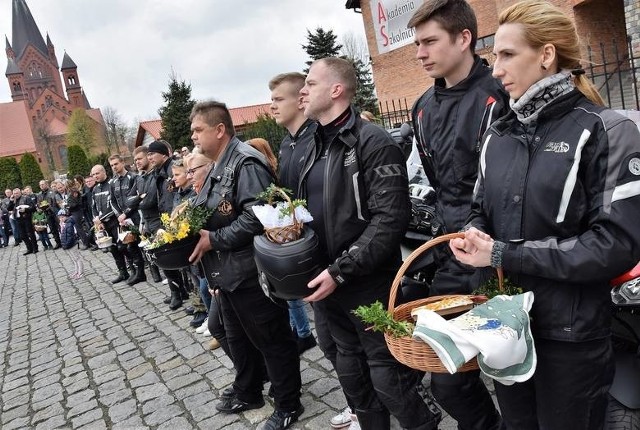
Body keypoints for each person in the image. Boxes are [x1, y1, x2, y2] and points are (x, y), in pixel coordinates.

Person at [447, 1, 640, 429]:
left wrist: (502, 254)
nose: (495, 68)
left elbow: (614, 246)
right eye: (495, 55)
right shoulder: (498, 134)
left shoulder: (607, 130)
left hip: (571, 339)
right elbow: (480, 210)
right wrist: (474, 236)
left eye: (506, 54)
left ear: (547, 55)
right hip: (506, 329)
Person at [298, 57, 438, 430]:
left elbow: (390, 219)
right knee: (350, 370)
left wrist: (341, 270)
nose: (303, 91)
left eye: (310, 83)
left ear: (336, 90)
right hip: (325, 282)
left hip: (367, 282)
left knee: (388, 376)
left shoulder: (372, 141)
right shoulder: (312, 144)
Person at [407, 1, 509, 428]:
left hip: (503, 257)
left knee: (510, 371)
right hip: (452, 255)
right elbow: (436, 181)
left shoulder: (500, 94)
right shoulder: (421, 108)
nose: (419, 53)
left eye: (430, 41)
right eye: (416, 43)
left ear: (463, 38)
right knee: (446, 378)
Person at [188, 100, 303, 430]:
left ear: (219, 129)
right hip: (229, 274)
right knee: (239, 339)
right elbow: (212, 209)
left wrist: (214, 240)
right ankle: (249, 389)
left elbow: (259, 217)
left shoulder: (246, 162)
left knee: (272, 340)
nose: (194, 136)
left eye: (199, 130)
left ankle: (288, 403)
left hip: (251, 272)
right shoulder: (220, 162)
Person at [109, 154, 147, 286]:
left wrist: (125, 213)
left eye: (116, 164)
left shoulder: (133, 177)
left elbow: (136, 198)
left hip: (135, 216)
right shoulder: (112, 182)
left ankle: (154, 272)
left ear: (122, 162)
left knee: (143, 243)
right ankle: (139, 273)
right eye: (112, 165)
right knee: (130, 246)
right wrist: (120, 215)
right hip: (123, 220)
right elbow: (112, 201)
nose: (114, 167)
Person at [91, 165, 131, 283]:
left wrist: (101, 219)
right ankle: (123, 272)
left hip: (115, 222)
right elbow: (93, 207)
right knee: (113, 249)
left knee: (122, 247)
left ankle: (133, 269)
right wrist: (97, 220)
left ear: (104, 172)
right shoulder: (95, 189)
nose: (95, 176)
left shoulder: (112, 184)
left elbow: (114, 205)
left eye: (97, 173)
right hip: (104, 224)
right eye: (93, 174)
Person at [8, 187, 38, 255]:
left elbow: (33, 208)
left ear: (20, 193)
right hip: (18, 219)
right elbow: (9, 208)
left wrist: (25, 210)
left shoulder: (26, 198)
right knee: (23, 235)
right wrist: (11, 201)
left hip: (26, 218)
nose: (16, 194)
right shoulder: (13, 200)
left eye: (17, 193)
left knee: (30, 233)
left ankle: (35, 247)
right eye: (14, 193)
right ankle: (29, 248)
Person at [59, 208, 84, 279]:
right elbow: (62, 234)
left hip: (72, 244)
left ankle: (80, 272)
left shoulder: (69, 224)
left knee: (77, 258)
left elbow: (71, 234)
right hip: (68, 244)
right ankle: (76, 271)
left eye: (63, 217)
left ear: (67, 216)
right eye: (60, 218)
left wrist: (68, 243)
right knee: (73, 259)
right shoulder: (64, 224)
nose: (61, 219)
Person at [37, 180, 62, 249]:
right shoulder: (39, 194)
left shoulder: (52, 192)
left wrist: (49, 206)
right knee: (52, 229)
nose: (42, 186)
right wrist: (41, 207)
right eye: (40, 185)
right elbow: (38, 203)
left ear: (46, 184)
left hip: (55, 212)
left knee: (60, 227)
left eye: (43, 184)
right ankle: (58, 242)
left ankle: (64, 240)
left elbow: (55, 202)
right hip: (47, 213)